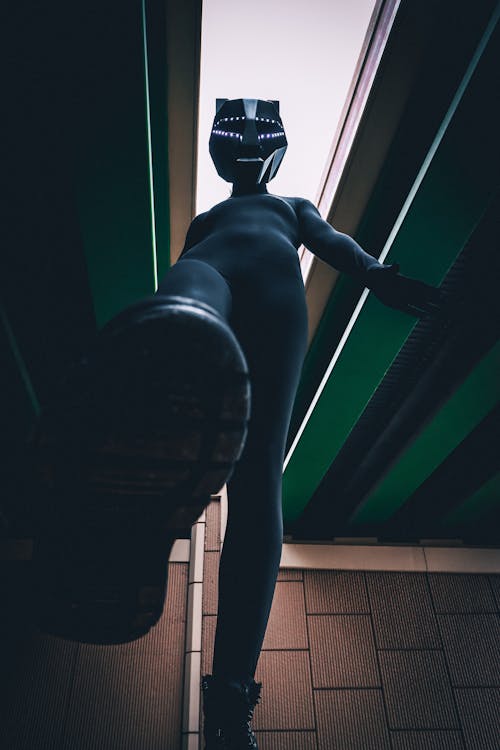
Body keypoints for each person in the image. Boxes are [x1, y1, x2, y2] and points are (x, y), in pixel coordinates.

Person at [33, 97, 440, 749]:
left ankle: (229, 704)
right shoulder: (213, 218)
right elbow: (333, 250)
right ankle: (163, 349)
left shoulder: (290, 210)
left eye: (258, 134)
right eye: (239, 133)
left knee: (257, 489)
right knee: (193, 298)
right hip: (238, 286)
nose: (249, 143)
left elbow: (332, 241)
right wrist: (376, 277)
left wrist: (378, 275)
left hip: (253, 293)